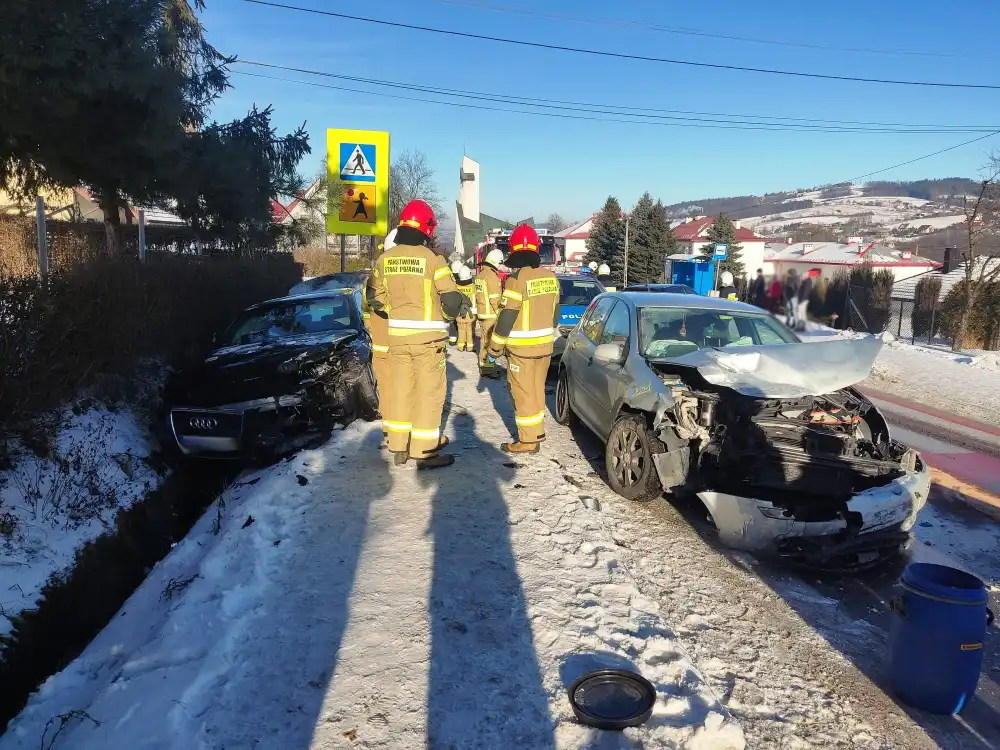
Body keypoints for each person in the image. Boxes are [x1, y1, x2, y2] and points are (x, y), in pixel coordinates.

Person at [367, 200, 468, 469]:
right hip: (428, 342)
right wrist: (444, 318)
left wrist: (395, 312)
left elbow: (373, 297)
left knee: (400, 392)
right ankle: (424, 452)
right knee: (428, 394)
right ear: (426, 228)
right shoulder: (434, 260)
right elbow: (452, 299)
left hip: (397, 340)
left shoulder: (384, 260)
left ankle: (398, 447)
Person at [484, 225, 560, 455]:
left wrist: (494, 347)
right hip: (545, 347)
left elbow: (507, 316)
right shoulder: (551, 277)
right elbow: (556, 315)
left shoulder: (517, 280)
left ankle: (527, 440)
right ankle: (537, 432)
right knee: (537, 390)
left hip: (522, 350)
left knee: (522, 392)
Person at [364, 228, 398, 432]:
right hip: (402, 344)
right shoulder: (404, 280)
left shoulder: (372, 279)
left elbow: (366, 312)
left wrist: (372, 330)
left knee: (386, 390)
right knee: (406, 389)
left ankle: (390, 431)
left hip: (381, 346)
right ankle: (405, 433)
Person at [476, 248, 505, 378]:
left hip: (482, 312)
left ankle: (484, 366)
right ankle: (487, 369)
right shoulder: (491, 276)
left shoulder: (481, 274)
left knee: (484, 340)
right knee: (490, 343)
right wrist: (501, 313)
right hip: (491, 314)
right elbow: (495, 299)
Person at [455, 265, 477, 351]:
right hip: (471, 313)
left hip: (459, 313)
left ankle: (460, 346)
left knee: (461, 329)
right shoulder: (473, 287)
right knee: (470, 330)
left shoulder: (456, 287)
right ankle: (470, 346)